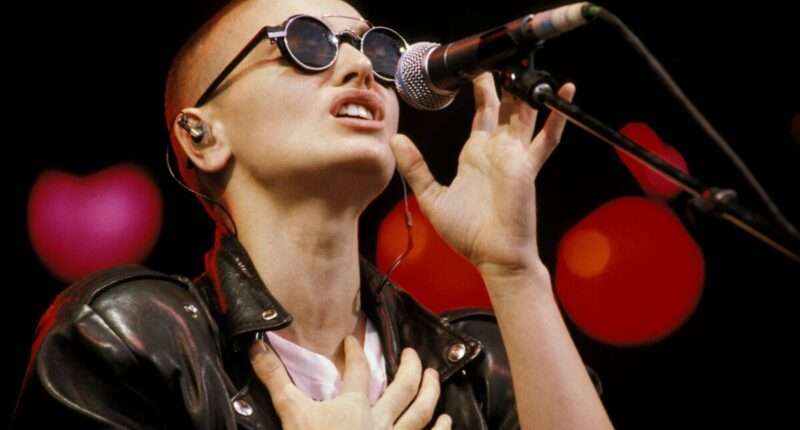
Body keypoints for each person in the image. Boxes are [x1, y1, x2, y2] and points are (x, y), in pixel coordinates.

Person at [14, 0, 614, 428]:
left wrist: (514, 270)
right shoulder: (129, 336)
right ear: (201, 135)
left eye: (378, 53)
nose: (361, 69)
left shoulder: (482, 361)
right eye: (305, 43)